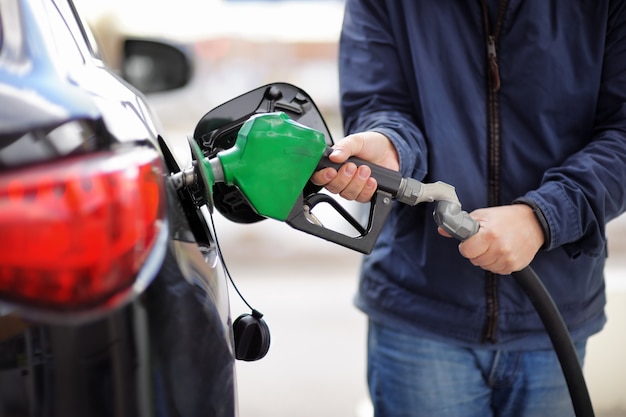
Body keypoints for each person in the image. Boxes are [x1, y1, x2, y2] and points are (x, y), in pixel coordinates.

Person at [311, 1, 626, 416]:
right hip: (420, 311)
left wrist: (544, 217)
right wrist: (391, 148)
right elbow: (380, 103)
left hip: (553, 313)